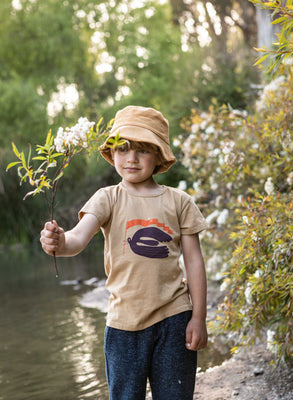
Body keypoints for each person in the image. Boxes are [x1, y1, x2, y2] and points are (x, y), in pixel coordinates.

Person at [40, 105, 208, 400]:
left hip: (174, 318)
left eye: (143, 150)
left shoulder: (180, 202)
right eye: (123, 148)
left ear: (159, 155)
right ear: (112, 154)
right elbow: (77, 239)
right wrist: (58, 242)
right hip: (123, 326)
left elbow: (194, 261)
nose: (131, 158)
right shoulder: (107, 198)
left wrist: (199, 318)